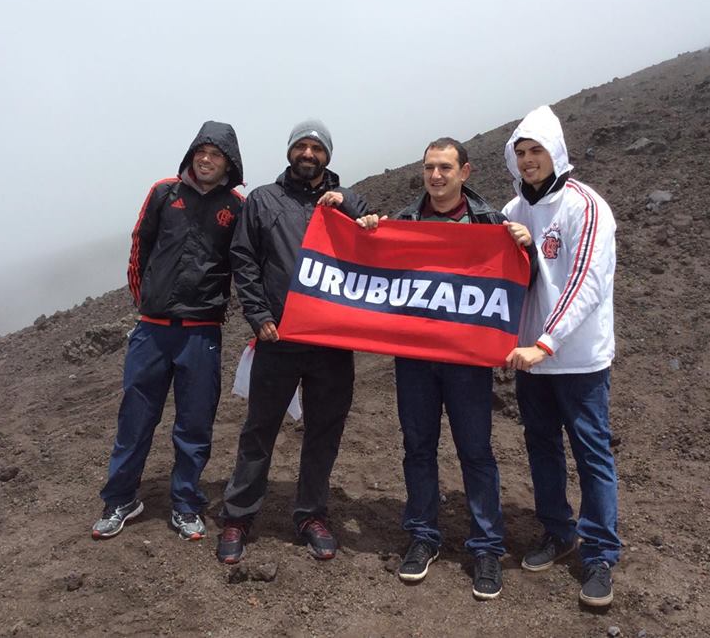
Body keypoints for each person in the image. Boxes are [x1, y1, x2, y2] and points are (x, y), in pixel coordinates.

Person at [366, 138, 533, 600]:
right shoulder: (403, 222)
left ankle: (486, 547)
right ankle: (423, 536)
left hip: (467, 362)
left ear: (465, 172)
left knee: (475, 452)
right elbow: (369, 268)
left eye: (444, 168)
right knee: (417, 448)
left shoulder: (491, 222)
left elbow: (522, 282)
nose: (435, 177)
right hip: (415, 360)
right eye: (428, 169)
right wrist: (364, 231)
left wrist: (527, 247)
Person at [217, 119, 370, 564]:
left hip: (332, 343)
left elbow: (376, 236)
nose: (308, 154)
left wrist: (351, 202)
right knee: (259, 430)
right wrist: (258, 315)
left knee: (324, 430)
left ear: (328, 156)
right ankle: (238, 516)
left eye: (316, 148)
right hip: (278, 336)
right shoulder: (264, 200)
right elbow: (243, 259)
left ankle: (310, 514)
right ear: (290, 151)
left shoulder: (343, 202)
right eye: (301, 146)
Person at [91, 121, 244, 542]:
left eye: (216, 154)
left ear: (229, 160)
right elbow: (140, 245)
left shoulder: (237, 207)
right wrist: (147, 304)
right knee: (135, 419)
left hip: (201, 332)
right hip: (153, 331)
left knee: (194, 425)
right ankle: (121, 498)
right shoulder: (164, 192)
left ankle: (185, 503)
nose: (207, 159)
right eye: (202, 151)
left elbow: (243, 262)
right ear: (193, 153)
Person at [502, 105, 620, 607]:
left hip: (577, 359)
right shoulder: (511, 213)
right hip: (531, 359)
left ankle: (599, 553)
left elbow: (586, 283)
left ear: (557, 153)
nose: (529, 161)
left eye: (537, 151)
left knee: (591, 451)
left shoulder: (584, 206)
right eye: (521, 153)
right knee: (541, 446)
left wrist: (546, 342)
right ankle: (557, 529)